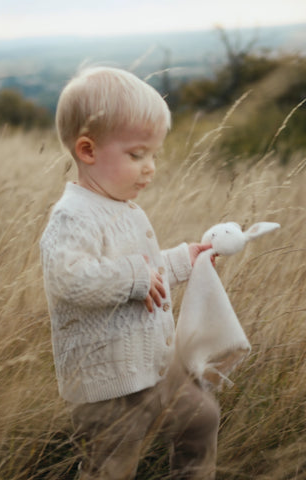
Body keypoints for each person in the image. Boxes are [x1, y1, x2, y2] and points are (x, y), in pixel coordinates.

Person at [40, 66, 220, 480]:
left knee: (201, 418)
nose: (150, 167)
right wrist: (135, 280)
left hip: (154, 364)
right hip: (108, 385)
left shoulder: (120, 205)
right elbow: (69, 278)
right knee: (112, 468)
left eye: (153, 154)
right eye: (137, 155)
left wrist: (183, 260)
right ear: (87, 151)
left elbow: (145, 268)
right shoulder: (72, 216)